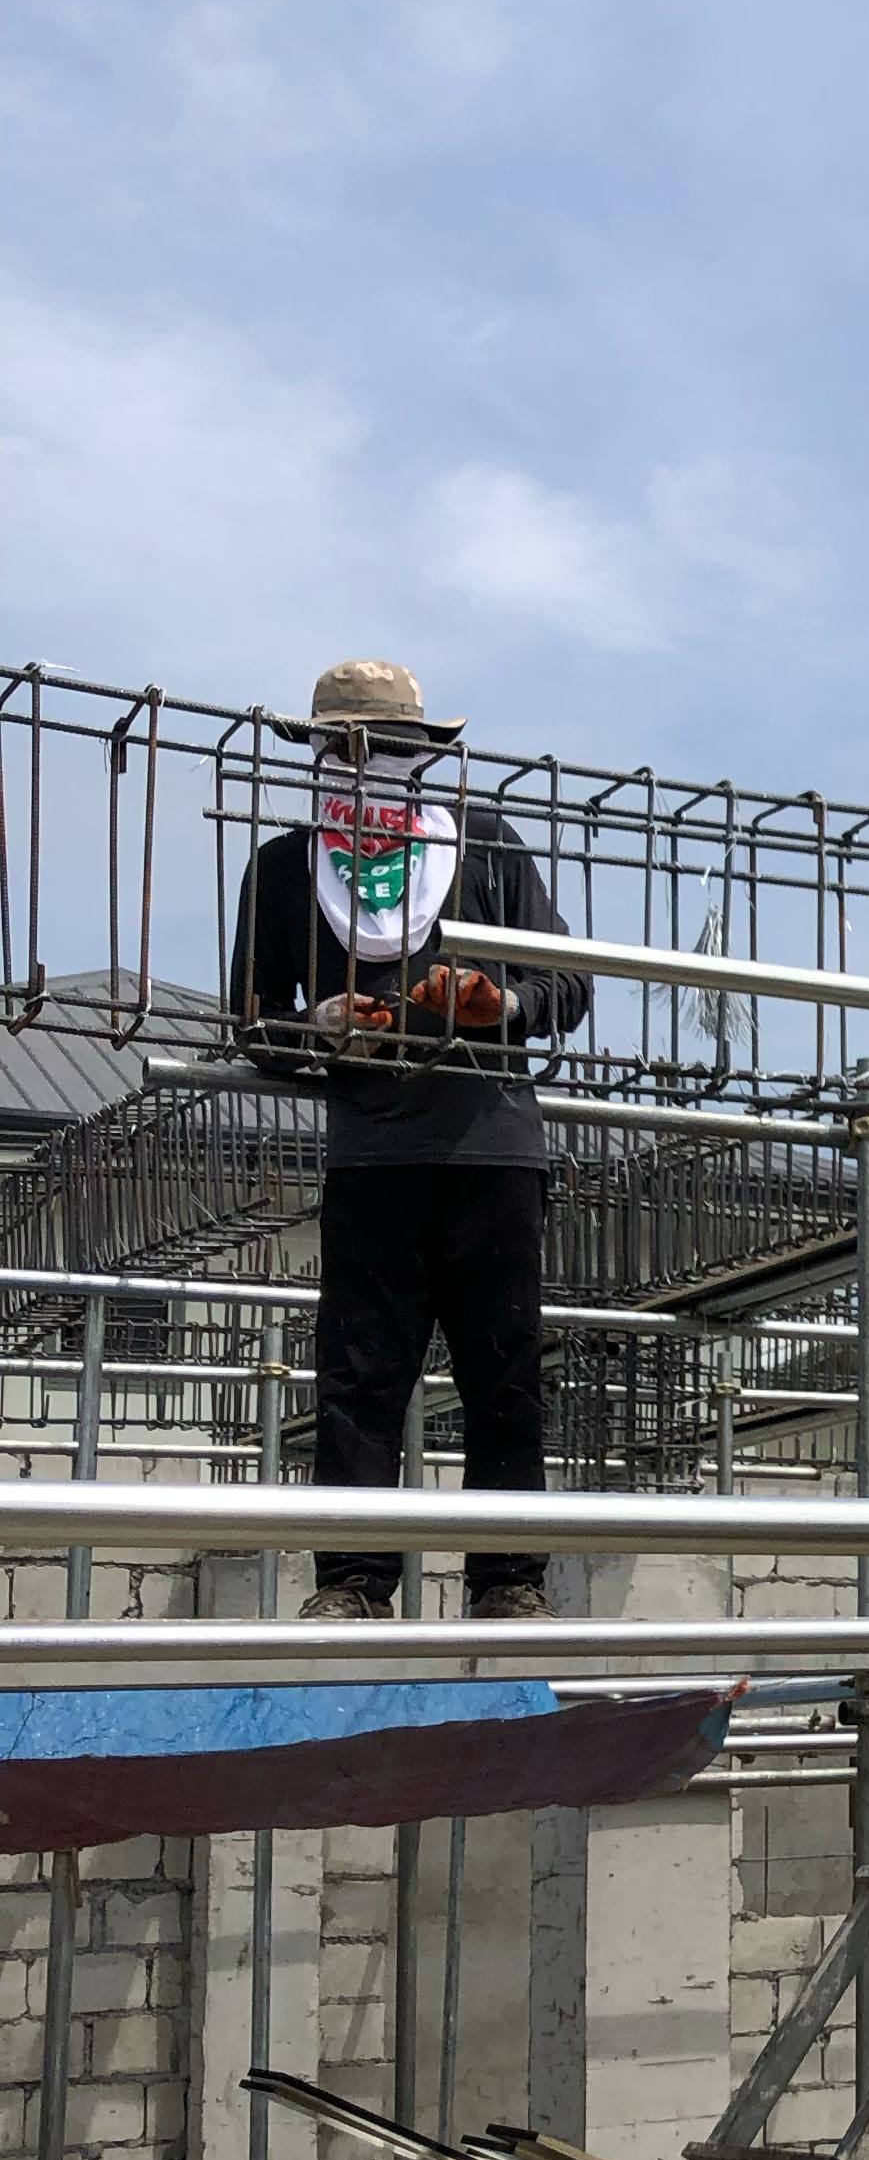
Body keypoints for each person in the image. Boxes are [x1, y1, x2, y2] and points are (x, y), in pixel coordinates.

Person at [225, 659, 590, 1623]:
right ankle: (353, 1582)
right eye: (345, 748)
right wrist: (320, 1029)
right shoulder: (284, 867)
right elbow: (251, 1021)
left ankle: (507, 1581)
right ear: (316, 752)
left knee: (503, 1371)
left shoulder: (484, 846)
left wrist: (497, 1004)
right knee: (361, 1375)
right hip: (373, 1154)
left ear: (422, 755)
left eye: (388, 748)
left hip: (491, 1148)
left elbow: (569, 984)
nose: (367, 765)